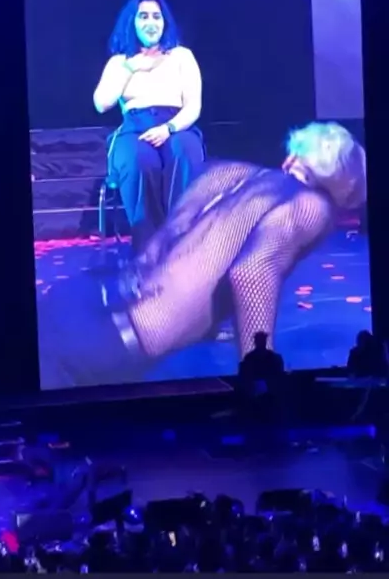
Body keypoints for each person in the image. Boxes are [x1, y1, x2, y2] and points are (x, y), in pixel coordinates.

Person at [45, 121, 366, 387]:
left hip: (80, 298)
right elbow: (251, 273)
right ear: (344, 188)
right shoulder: (313, 205)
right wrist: (259, 376)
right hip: (111, 340)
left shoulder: (230, 173)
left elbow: (169, 242)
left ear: (292, 157)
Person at [93, 0, 205, 252]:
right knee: (140, 160)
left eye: (157, 16)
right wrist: (131, 68)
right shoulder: (120, 62)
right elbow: (102, 103)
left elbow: (193, 106)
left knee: (183, 152)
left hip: (176, 125)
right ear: (132, 22)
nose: (151, 22)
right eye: (143, 16)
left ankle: (182, 241)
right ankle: (149, 249)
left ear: (165, 22)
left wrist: (168, 128)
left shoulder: (182, 56)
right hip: (135, 128)